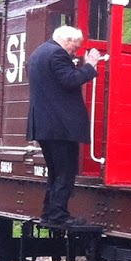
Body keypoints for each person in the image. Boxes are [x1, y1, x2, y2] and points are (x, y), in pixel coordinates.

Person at [26, 25, 102, 226]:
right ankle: (58, 215)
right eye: (75, 47)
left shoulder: (39, 53)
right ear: (67, 40)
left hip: (45, 124)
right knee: (66, 171)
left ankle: (49, 212)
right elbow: (70, 80)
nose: (75, 51)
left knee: (55, 171)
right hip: (60, 126)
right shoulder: (57, 54)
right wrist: (90, 65)